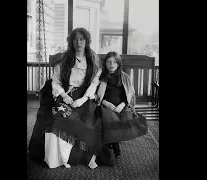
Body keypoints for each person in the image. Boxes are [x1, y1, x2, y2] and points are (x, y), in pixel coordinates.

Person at [28, 27, 102, 169]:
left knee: (87, 120)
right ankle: (58, 158)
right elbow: (55, 81)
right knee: (57, 117)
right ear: (71, 42)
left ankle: (84, 157)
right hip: (66, 93)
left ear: (87, 41)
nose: (78, 42)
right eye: (75, 39)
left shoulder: (93, 60)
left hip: (86, 96)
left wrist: (84, 99)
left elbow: (94, 83)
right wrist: (64, 95)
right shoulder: (64, 59)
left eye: (82, 39)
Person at [95, 51, 148, 166]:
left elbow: (129, 93)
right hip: (106, 106)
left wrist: (122, 105)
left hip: (121, 106)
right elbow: (95, 94)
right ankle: (115, 145)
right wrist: (106, 103)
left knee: (126, 119)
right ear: (105, 64)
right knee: (109, 120)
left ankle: (112, 142)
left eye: (114, 62)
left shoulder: (124, 77)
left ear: (118, 64)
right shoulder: (101, 77)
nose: (111, 64)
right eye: (109, 62)